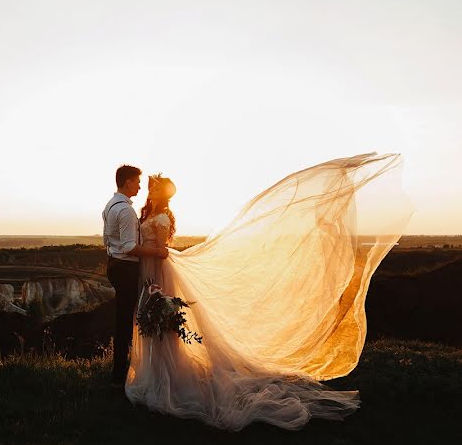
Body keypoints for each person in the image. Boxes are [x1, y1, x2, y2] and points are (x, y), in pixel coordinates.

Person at [124, 153, 412, 430]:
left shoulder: (161, 219)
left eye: (152, 187)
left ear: (161, 194)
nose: (148, 190)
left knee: (164, 322)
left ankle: (168, 377)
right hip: (149, 270)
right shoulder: (151, 213)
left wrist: (136, 251)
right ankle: (158, 373)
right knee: (156, 321)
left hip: (159, 269)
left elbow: (161, 252)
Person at [102, 165, 170, 388]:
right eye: (138, 182)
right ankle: (119, 377)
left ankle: (132, 370)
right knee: (125, 323)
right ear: (128, 182)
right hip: (127, 268)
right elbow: (130, 246)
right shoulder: (126, 210)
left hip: (116, 264)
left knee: (129, 319)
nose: (141, 187)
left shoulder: (110, 205)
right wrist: (158, 252)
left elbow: (107, 241)